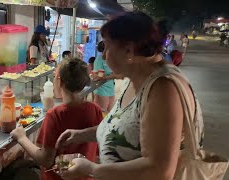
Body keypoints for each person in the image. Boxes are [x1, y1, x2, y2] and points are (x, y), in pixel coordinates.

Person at [56, 11, 204, 180]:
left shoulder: (163, 89)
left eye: (106, 46)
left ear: (128, 51)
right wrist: (81, 135)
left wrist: (92, 169)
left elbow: (160, 170)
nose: (103, 55)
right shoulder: (135, 79)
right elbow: (127, 129)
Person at [11, 59, 103, 180]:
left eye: (55, 76)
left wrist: (21, 138)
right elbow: (97, 153)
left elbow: (46, 160)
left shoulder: (55, 115)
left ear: (60, 81)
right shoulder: (95, 109)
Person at [93, 41, 116, 113]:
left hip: (111, 88)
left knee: (109, 113)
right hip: (102, 89)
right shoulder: (99, 59)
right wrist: (109, 75)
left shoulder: (112, 59)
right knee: (101, 113)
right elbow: (98, 76)